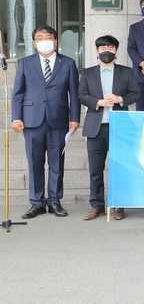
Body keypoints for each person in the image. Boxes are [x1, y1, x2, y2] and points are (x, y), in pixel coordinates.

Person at [11, 26, 80, 219]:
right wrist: (16, 117)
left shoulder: (68, 63)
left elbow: (74, 94)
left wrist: (75, 118)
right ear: (34, 43)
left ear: (55, 41)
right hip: (32, 120)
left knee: (57, 163)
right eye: (39, 38)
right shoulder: (25, 63)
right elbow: (18, 93)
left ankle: (54, 201)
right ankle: (37, 202)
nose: (44, 41)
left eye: (48, 37)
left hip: (59, 120)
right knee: (35, 163)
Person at [78, 35, 139, 221]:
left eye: (111, 48)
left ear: (116, 51)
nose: (107, 51)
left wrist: (120, 99)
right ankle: (97, 206)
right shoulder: (88, 73)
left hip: (119, 126)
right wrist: (98, 102)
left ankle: (119, 205)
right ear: (97, 51)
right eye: (103, 48)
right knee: (95, 170)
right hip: (95, 128)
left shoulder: (126, 72)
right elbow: (81, 96)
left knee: (119, 168)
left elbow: (135, 93)